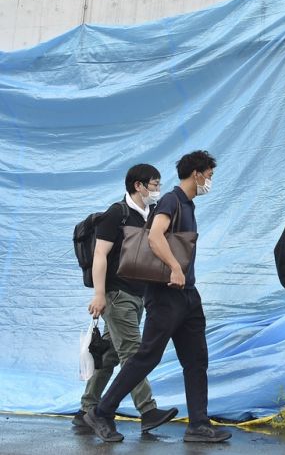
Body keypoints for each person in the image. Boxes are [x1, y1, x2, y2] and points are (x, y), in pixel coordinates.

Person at [84, 151, 231, 443]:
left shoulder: (187, 205)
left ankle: (199, 425)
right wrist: (175, 267)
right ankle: (101, 412)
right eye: (210, 175)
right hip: (166, 295)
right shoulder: (171, 201)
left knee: (197, 359)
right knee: (146, 356)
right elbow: (154, 236)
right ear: (197, 174)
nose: (210, 181)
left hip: (189, 295)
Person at [73, 164, 178, 433]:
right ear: (138, 186)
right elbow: (100, 255)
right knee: (133, 352)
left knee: (109, 356)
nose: (157, 190)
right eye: (154, 185)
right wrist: (99, 294)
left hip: (139, 295)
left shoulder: (152, 215)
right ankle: (148, 410)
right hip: (116, 294)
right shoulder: (116, 214)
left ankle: (85, 410)